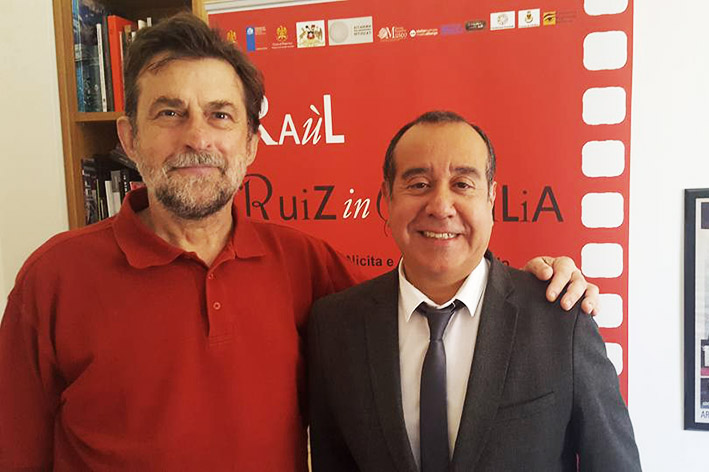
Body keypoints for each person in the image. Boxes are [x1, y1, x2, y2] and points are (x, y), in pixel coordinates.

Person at [0, 14, 597, 472]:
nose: (197, 138)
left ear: (251, 143)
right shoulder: (53, 280)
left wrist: (533, 286)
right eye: (169, 113)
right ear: (129, 137)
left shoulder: (304, 264)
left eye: (220, 115)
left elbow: (430, 303)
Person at [308, 111, 641, 471]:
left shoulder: (561, 319)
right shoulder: (335, 327)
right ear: (387, 197)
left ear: (491, 198)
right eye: (418, 184)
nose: (440, 207)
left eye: (463, 184)